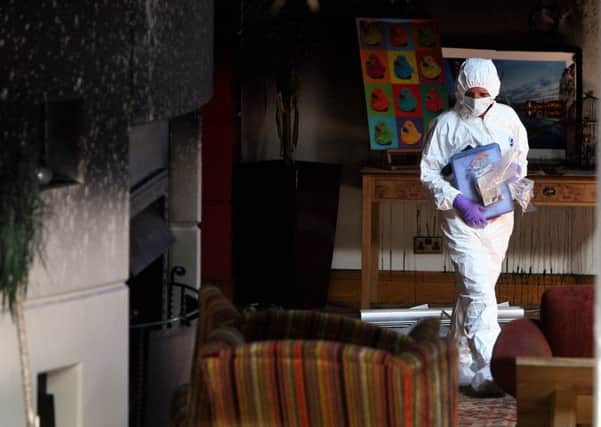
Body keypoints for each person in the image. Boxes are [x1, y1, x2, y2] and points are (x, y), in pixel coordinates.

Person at [420, 58, 529, 394]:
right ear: (460, 89)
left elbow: (520, 158)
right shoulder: (445, 124)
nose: (478, 97)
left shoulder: (508, 118)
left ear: (494, 90)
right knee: (480, 291)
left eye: (484, 92)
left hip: (499, 218)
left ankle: (457, 360)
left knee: (473, 291)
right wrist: (458, 200)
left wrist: (506, 189)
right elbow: (428, 173)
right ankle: (494, 365)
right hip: (460, 219)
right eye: (472, 91)